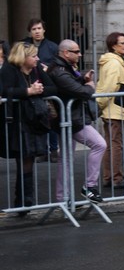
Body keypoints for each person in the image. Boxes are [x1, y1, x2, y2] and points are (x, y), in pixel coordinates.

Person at [0, 42, 57, 214]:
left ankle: (26, 200)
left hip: (34, 120)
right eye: (34, 56)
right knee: (23, 158)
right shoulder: (9, 69)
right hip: (16, 121)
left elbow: (52, 87)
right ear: (23, 57)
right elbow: (5, 91)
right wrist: (27, 92)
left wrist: (38, 90)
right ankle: (23, 201)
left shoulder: (37, 68)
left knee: (29, 158)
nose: (37, 59)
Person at [48, 40, 107, 203]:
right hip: (71, 120)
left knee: (65, 159)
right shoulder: (59, 71)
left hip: (70, 119)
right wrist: (89, 86)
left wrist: (83, 79)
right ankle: (89, 186)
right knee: (99, 144)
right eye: (77, 51)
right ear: (66, 53)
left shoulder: (63, 68)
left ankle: (63, 198)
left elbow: (72, 86)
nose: (80, 54)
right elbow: (79, 91)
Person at [96, 32, 124, 190]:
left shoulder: (113, 61)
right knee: (116, 145)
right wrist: (100, 104)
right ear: (113, 46)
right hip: (114, 110)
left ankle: (109, 176)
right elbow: (110, 87)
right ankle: (116, 177)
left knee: (111, 144)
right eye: (122, 43)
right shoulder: (115, 63)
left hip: (111, 109)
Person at [24, 18, 59, 163]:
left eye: (39, 28)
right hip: (30, 86)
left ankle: (53, 149)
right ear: (30, 32)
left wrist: (47, 69)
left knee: (50, 116)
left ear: (44, 29)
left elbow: (57, 64)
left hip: (46, 85)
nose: (37, 32)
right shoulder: (24, 45)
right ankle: (41, 150)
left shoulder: (52, 46)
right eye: (34, 29)